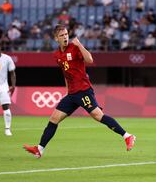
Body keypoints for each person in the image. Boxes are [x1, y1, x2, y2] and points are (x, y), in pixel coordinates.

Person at [24, 25, 135, 158]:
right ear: (56, 38)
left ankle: (127, 136)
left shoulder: (75, 47)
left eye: (66, 34)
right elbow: (66, 73)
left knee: (98, 116)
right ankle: (39, 149)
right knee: (54, 118)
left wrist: (80, 45)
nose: (65, 37)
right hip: (71, 94)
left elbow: (90, 60)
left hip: (83, 91)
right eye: (62, 35)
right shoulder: (57, 55)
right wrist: (67, 91)